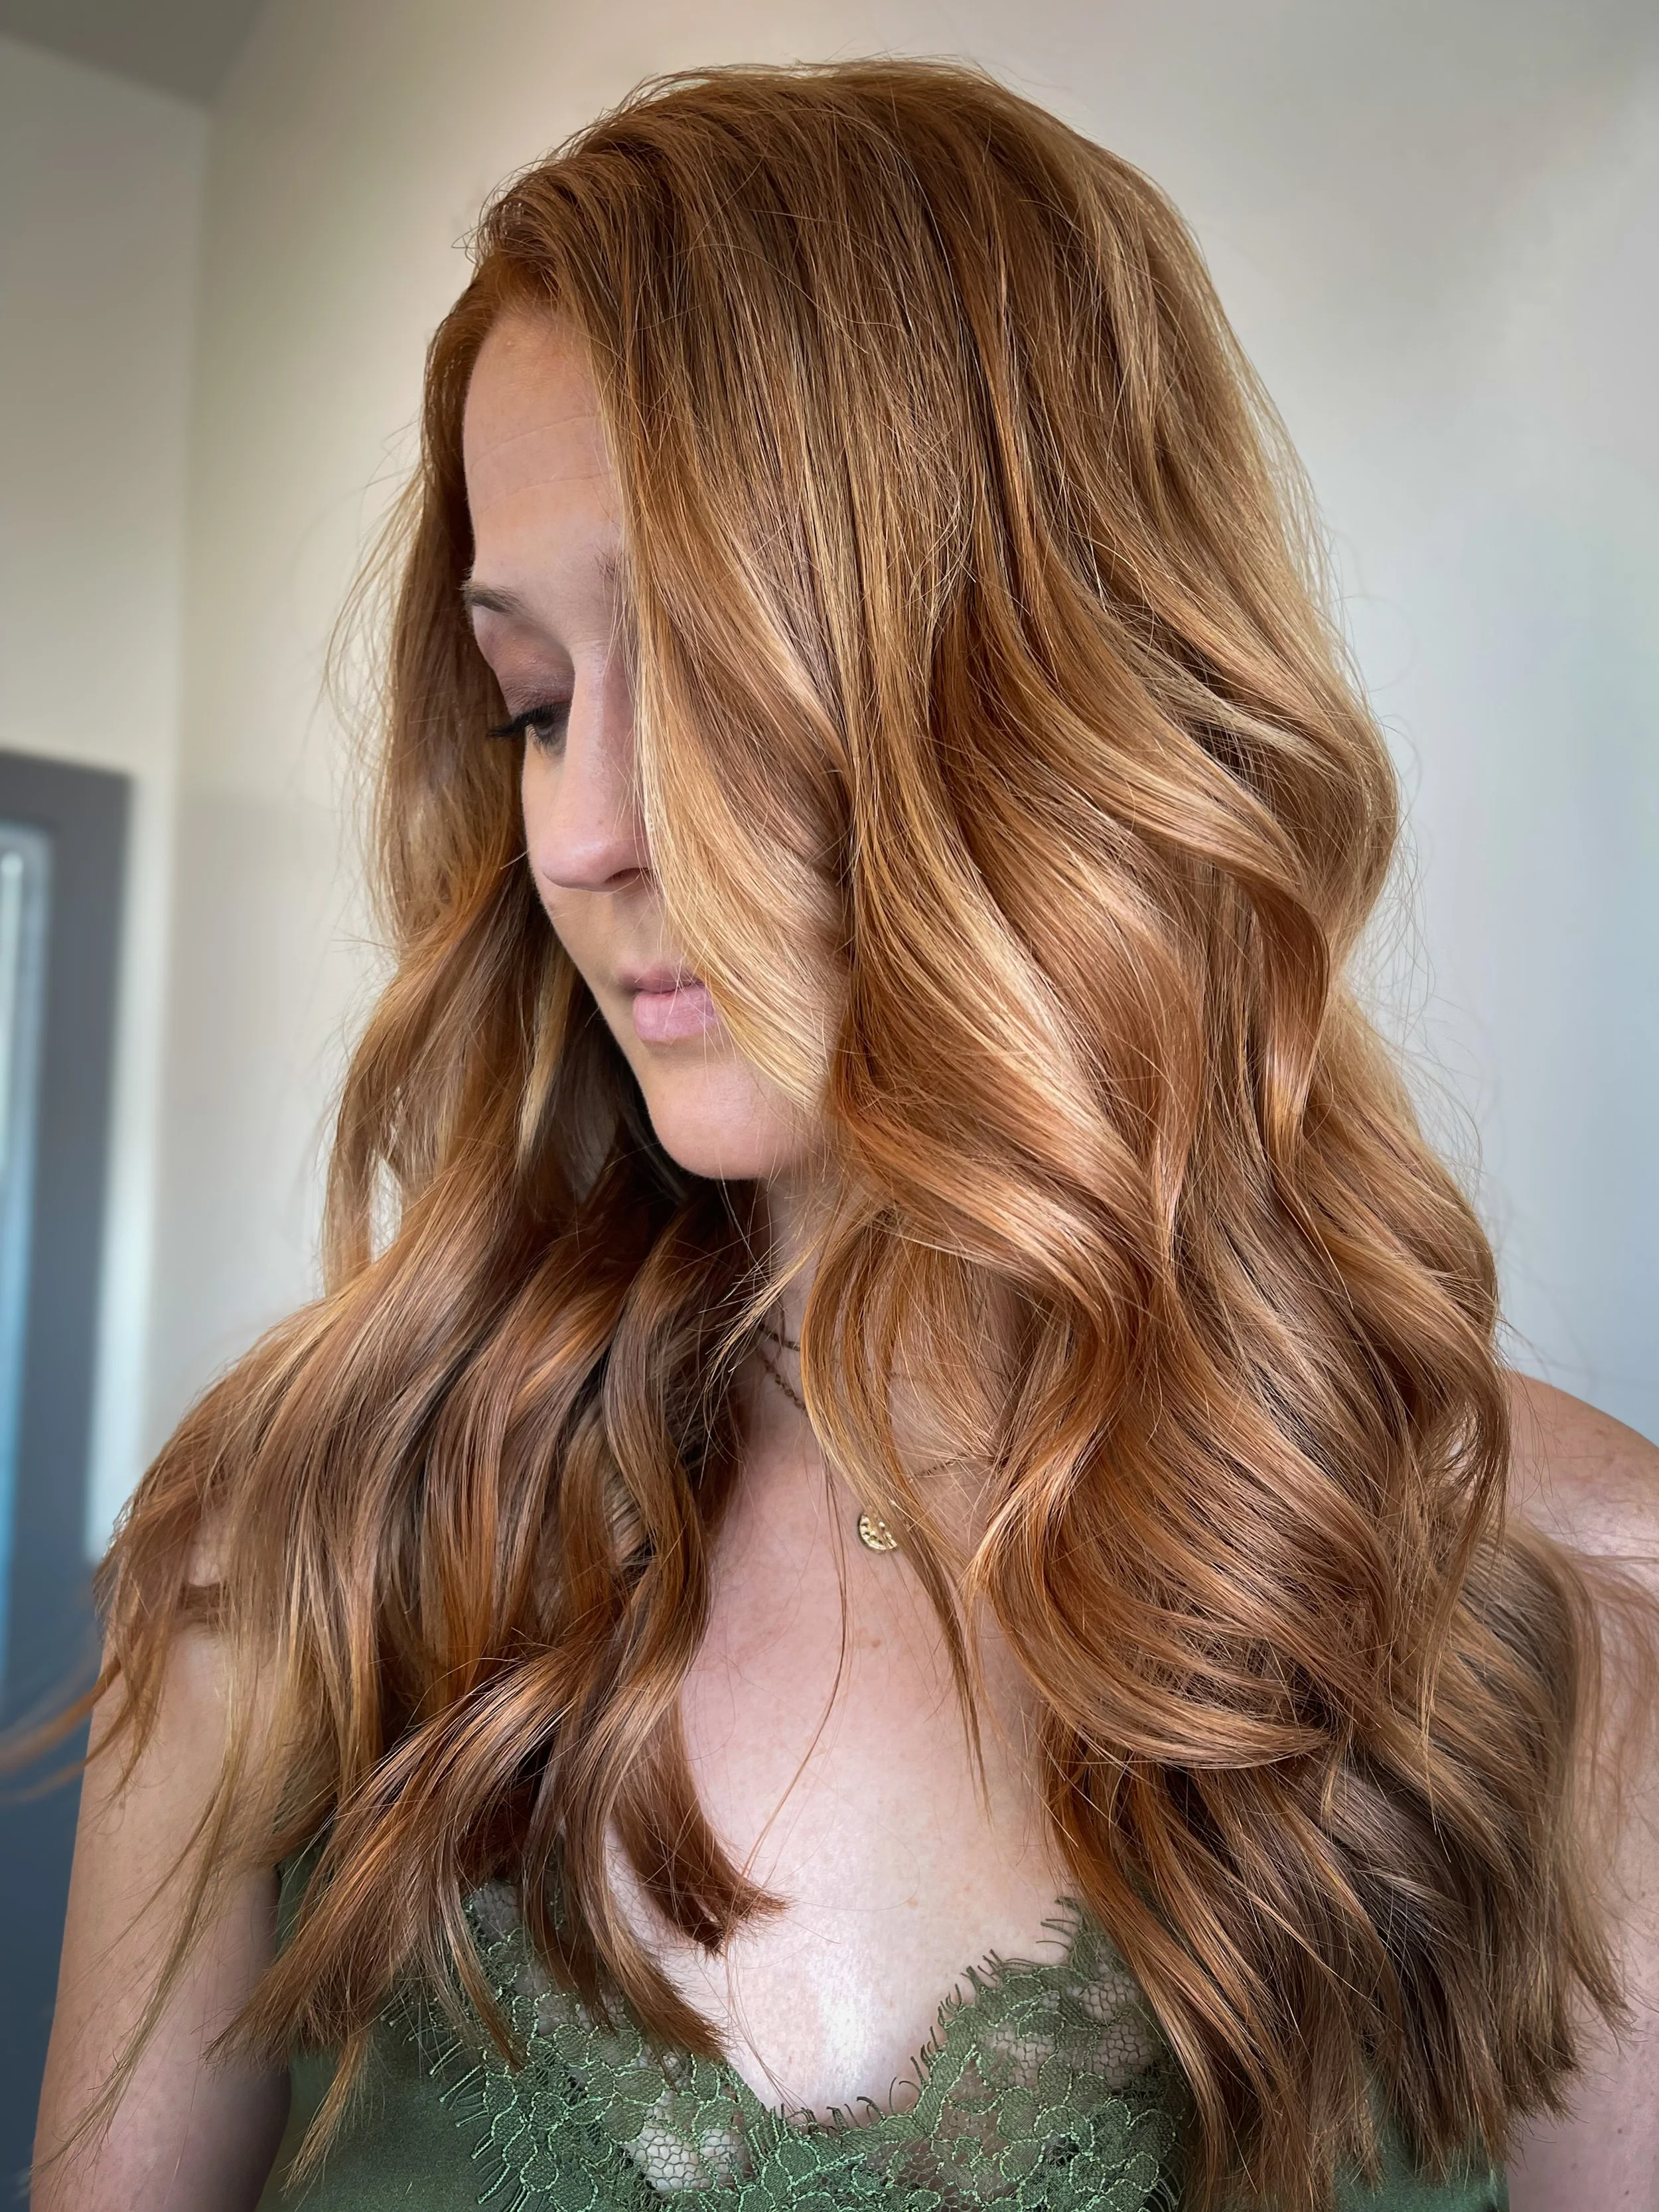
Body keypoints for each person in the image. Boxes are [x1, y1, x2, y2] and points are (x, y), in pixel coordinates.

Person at [29, 58, 1659, 2212]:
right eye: (531, 703)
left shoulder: (1561, 1610)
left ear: (1046, 664)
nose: (588, 832)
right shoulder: (305, 1543)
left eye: (701, 661)